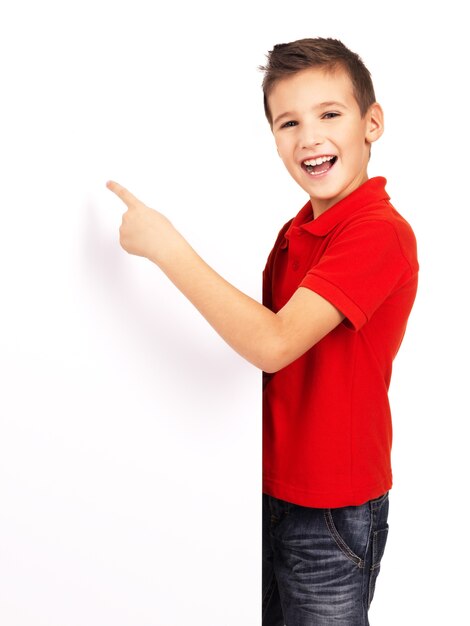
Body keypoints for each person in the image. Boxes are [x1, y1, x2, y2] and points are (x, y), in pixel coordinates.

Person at [106, 37, 418, 626]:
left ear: (371, 122)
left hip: (332, 504)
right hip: (270, 488)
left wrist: (166, 247)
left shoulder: (377, 232)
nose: (309, 137)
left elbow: (273, 341)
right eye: (288, 122)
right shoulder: (298, 230)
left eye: (330, 114)